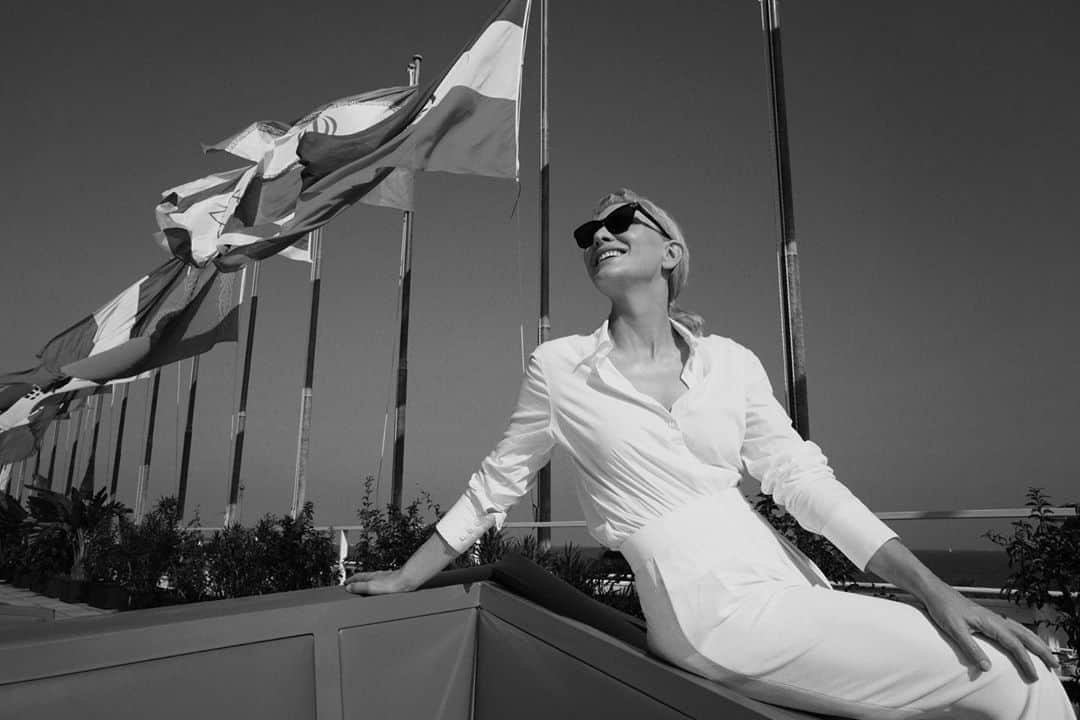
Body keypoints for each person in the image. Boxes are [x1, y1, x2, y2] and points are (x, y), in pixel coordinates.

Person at [345, 189, 1075, 719]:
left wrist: (932, 587)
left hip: (790, 582)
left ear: (672, 252)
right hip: (709, 608)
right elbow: (497, 481)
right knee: (1025, 679)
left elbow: (801, 481)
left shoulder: (731, 362)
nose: (601, 231)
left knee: (985, 682)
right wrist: (411, 575)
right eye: (591, 229)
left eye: (623, 218)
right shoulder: (561, 366)